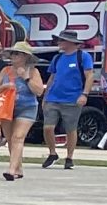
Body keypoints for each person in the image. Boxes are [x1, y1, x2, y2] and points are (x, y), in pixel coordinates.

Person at [0, 46, 44, 181]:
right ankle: (18, 167)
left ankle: (11, 170)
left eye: (18, 53)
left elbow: (39, 91)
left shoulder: (33, 71)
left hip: (27, 107)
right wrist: (5, 86)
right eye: (13, 53)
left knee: (18, 137)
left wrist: (26, 77)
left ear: (26, 57)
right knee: (11, 138)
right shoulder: (5, 71)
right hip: (7, 108)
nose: (14, 56)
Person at [41, 39, 96, 168]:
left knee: (70, 129)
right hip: (53, 97)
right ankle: (52, 153)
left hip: (73, 98)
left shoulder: (83, 56)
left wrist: (85, 94)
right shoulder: (57, 57)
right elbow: (52, 77)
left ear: (71, 43)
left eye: (62, 41)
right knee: (48, 127)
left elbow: (89, 76)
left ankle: (69, 157)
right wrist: (45, 95)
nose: (59, 43)